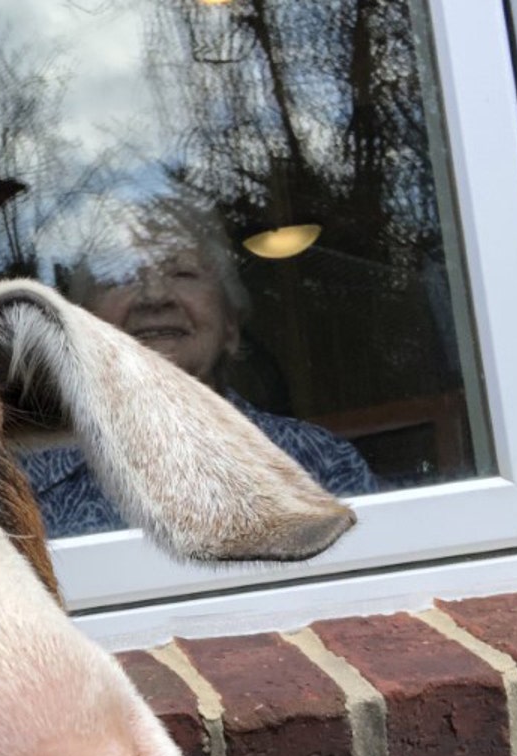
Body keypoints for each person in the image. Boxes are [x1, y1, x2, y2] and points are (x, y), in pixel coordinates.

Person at [22, 197, 375, 538]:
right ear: (77, 332)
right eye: (120, 275)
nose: (155, 296)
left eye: (183, 272)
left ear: (231, 329)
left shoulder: (320, 465)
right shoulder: (18, 492)